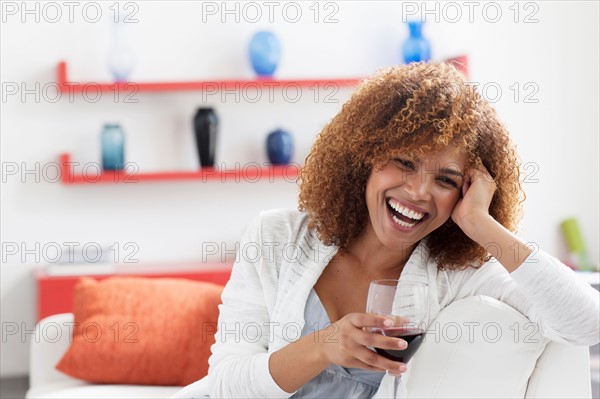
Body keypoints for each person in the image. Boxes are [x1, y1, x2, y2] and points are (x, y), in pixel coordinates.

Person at [173, 62, 599, 398]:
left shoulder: (455, 273)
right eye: (405, 162)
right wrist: (323, 344)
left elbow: (588, 325)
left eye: (446, 180)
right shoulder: (276, 237)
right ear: (364, 157)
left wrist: (480, 223)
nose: (418, 192)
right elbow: (227, 385)